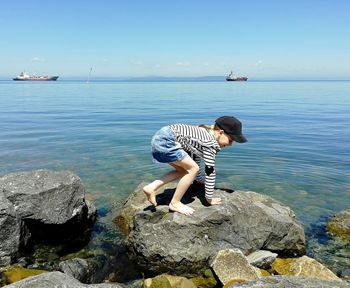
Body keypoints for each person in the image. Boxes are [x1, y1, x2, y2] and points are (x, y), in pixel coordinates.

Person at [143, 116, 247, 215]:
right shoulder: (209, 143)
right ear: (221, 132)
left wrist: (199, 179)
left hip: (160, 138)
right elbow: (210, 171)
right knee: (193, 169)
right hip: (168, 141)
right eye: (230, 140)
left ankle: (151, 187)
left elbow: (194, 155)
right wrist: (209, 198)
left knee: (184, 171)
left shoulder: (205, 133)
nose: (230, 144)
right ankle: (175, 203)